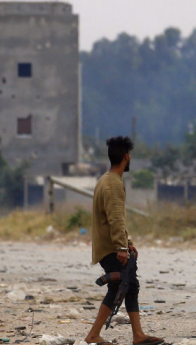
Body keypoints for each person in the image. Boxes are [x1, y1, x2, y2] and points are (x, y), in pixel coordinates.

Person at [85, 136, 163, 345]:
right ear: (126, 157)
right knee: (119, 285)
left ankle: (138, 335)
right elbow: (116, 217)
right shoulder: (113, 184)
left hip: (110, 244)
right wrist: (121, 246)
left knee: (130, 285)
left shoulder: (106, 180)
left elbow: (114, 217)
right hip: (110, 247)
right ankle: (94, 335)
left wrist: (127, 243)